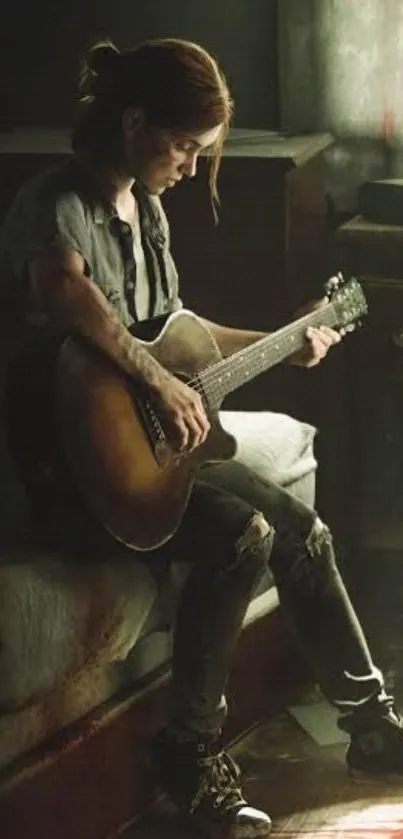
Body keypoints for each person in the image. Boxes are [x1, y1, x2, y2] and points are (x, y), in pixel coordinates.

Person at [0, 36, 402, 839]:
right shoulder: (55, 207)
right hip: (63, 474)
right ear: (134, 121)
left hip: (148, 460)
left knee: (299, 529)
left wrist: (291, 334)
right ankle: (187, 754)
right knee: (239, 536)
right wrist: (154, 382)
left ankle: (370, 724)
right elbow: (75, 302)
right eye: (182, 146)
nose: (188, 166)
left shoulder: (146, 213)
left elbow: (176, 343)